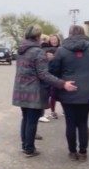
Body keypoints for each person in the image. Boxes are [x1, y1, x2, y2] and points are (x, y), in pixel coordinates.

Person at [12, 24, 77, 157]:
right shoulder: (37, 51)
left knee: (25, 118)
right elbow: (44, 75)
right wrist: (62, 84)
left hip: (21, 89)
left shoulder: (21, 50)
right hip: (34, 91)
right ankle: (29, 149)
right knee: (32, 120)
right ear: (37, 36)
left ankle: (25, 145)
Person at [50, 25, 89, 161]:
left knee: (70, 123)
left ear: (69, 34)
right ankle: (83, 152)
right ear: (84, 34)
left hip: (68, 90)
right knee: (83, 122)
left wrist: (62, 81)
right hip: (87, 91)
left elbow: (53, 71)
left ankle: (72, 152)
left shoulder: (61, 50)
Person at [39, 34, 62, 122]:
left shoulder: (62, 49)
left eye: (55, 39)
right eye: (52, 39)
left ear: (58, 40)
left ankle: (63, 110)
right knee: (49, 94)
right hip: (48, 74)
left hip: (59, 74)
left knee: (58, 93)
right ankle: (51, 112)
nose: (53, 41)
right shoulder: (45, 49)